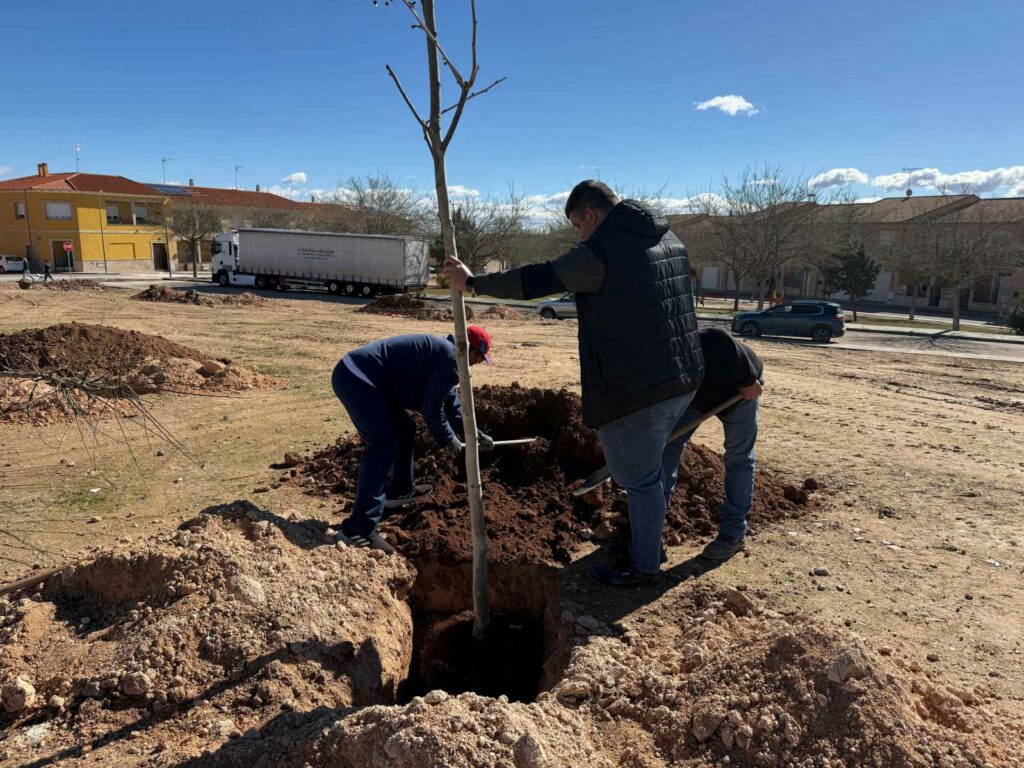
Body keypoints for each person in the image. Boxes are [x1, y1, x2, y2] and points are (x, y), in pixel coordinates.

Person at [445, 180, 703, 586]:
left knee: (638, 479)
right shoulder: (667, 237)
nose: (578, 236)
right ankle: (647, 545)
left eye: (576, 226)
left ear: (591, 215)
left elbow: (541, 279)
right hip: (683, 376)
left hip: (639, 387)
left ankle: (643, 567)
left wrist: (473, 282)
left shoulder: (604, 250)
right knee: (656, 470)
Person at [331, 327, 494, 551]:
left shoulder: (446, 355)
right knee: (382, 445)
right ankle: (359, 531)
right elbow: (431, 409)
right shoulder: (448, 357)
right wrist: (448, 440)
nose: (476, 363)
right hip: (358, 378)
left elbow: (452, 406)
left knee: (404, 429)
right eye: (478, 356)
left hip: (369, 381)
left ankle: (399, 490)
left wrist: (474, 434)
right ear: (468, 348)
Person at [661, 327, 763, 561]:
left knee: (739, 458)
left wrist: (748, 381)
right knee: (667, 445)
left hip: (740, 391)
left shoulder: (702, 341)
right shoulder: (652, 365)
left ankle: (733, 534)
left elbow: (722, 339)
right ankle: (652, 521)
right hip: (699, 397)